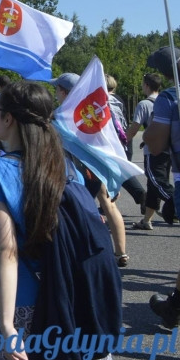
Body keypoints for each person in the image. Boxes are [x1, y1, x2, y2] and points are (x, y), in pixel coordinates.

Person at [0, 81, 113, 360]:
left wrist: (7, 325)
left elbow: (6, 249)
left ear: (8, 118)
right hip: (73, 297)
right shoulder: (63, 165)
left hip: (23, 305)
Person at [51, 72, 129, 267]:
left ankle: (86, 252)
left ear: (62, 91)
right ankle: (121, 252)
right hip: (98, 167)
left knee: (78, 210)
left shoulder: (61, 115)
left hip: (75, 171)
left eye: (57, 89)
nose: (55, 93)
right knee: (109, 206)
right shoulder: (92, 109)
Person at [143, 46, 180, 327]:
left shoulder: (170, 97)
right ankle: (174, 307)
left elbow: (156, 144)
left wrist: (147, 131)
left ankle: (175, 307)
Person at [129, 72, 172, 230]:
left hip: (152, 149)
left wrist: (124, 139)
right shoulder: (166, 100)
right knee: (153, 185)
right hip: (169, 148)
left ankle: (176, 203)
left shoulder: (144, 104)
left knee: (157, 183)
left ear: (146, 85)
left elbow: (135, 127)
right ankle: (147, 219)